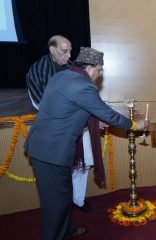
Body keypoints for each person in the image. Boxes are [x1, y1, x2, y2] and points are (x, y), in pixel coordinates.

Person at [24, 47, 145, 240]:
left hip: (42, 146)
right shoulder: (84, 85)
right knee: (55, 204)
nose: (100, 74)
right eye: (99, 69)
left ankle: (67, 231)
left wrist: (95, 122)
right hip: (51, 152)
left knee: (61, 199)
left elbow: (66, 111)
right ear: (89, 68)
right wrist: (134, 124)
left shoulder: (61, 77)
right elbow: (106, 112)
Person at [26, 35, 98, 213]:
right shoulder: (37, 70)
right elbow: (41, 103)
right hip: (57, 131)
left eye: (70, 51)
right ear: (52, 49)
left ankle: (78, 200)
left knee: (83, 164)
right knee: (64, 170)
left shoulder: (73, 67)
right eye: (64, 51)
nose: (69, 55)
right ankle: (63, 209)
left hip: (81, 127)